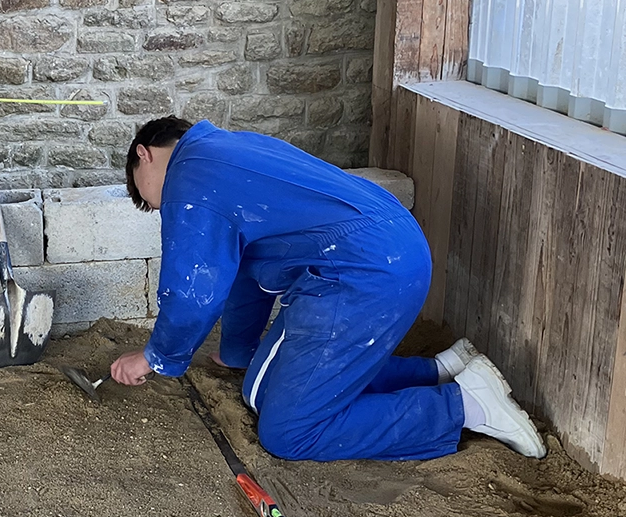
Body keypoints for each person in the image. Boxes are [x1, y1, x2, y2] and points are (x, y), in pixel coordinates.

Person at [110, 117, 546, 462]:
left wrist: (154, 357)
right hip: (391, 251)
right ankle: (439, 370)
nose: (157, 208)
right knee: (260, 385)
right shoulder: (228, 152)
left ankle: (466, 405)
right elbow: (246, 275)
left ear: (144, 154)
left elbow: (192, 290)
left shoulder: (190, 176)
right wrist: (236, 352)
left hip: (358, 274)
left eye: (146, 199)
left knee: (289, 431)